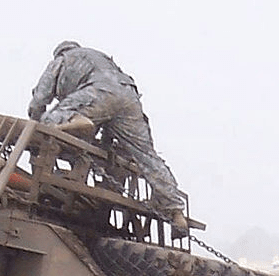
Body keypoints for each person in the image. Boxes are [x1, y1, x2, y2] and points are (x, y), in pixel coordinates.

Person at [28, 41, 186, 219]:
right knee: (146, 155)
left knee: (49, 121)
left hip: (98, 93)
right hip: (128, 97)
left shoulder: (63, 59)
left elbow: (40, 98)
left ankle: (80, 120)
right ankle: (175, 209)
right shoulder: (102, 59)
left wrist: (35, 125)